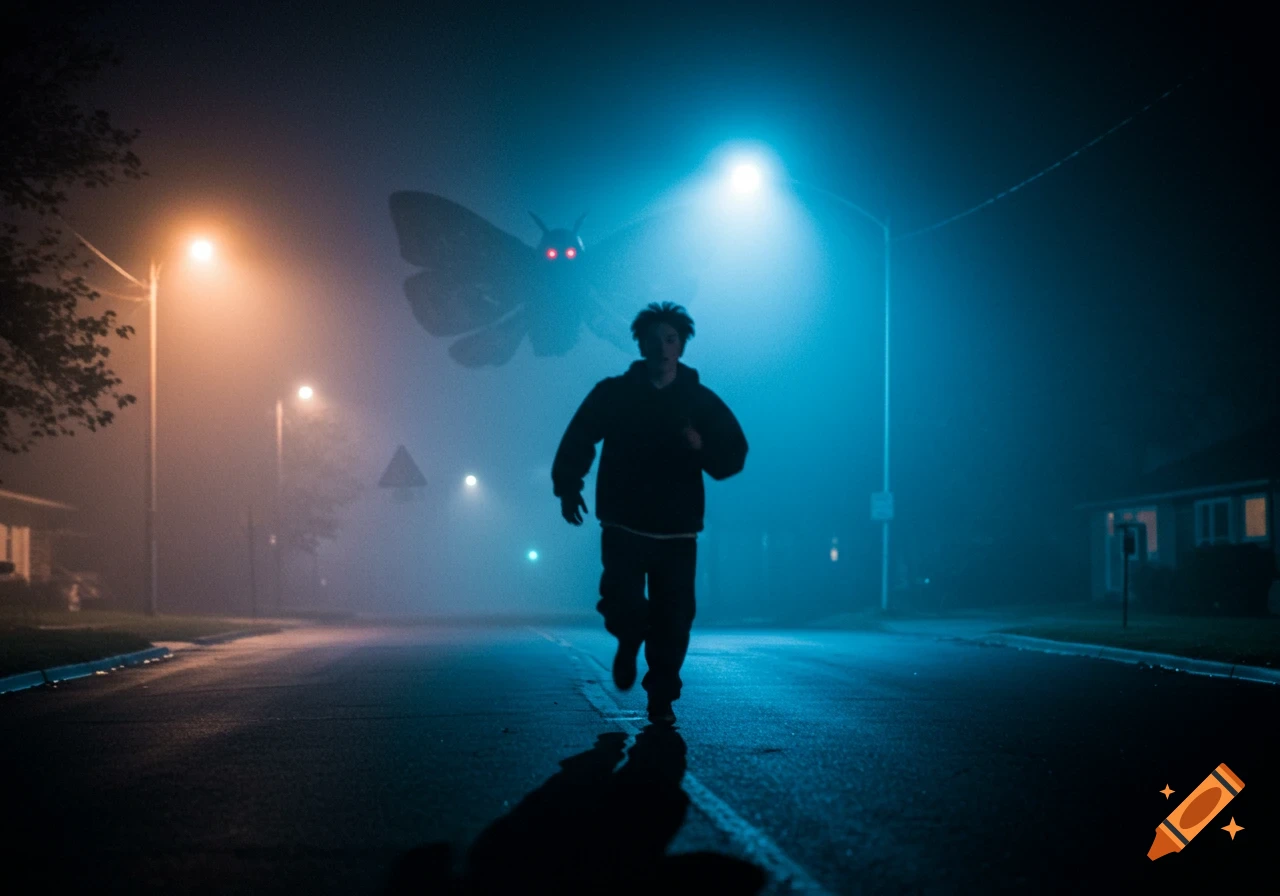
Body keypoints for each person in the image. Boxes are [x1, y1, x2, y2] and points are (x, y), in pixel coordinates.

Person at [552, 302, 748, 725]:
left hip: (678, 532)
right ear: (639, 344)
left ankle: (661, 695)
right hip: (623, 523)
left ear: (681, 346)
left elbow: (734, 454)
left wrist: (702, 448)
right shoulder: (614, 394)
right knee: (622, 601)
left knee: (674, 620)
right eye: (653, 339)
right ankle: (627, 640)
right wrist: (568, 487)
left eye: (671, 339)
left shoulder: (699, 400)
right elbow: (579, 438)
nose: (662, 346)